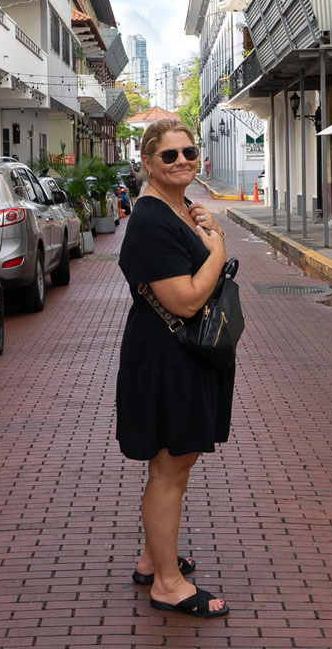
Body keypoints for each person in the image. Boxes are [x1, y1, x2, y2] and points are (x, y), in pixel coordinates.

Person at [115, 118, 233, 619]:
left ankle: (152, 559)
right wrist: (219, 249)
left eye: (189, 152)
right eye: (169, 156)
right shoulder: (149, 219)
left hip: (178, 356)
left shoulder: (178, 209)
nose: (183, 160)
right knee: (169, 469)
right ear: (147, 162)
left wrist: (203, 228)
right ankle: (167, 583)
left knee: (172, 466)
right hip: (165, 358)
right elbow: (184, 301)